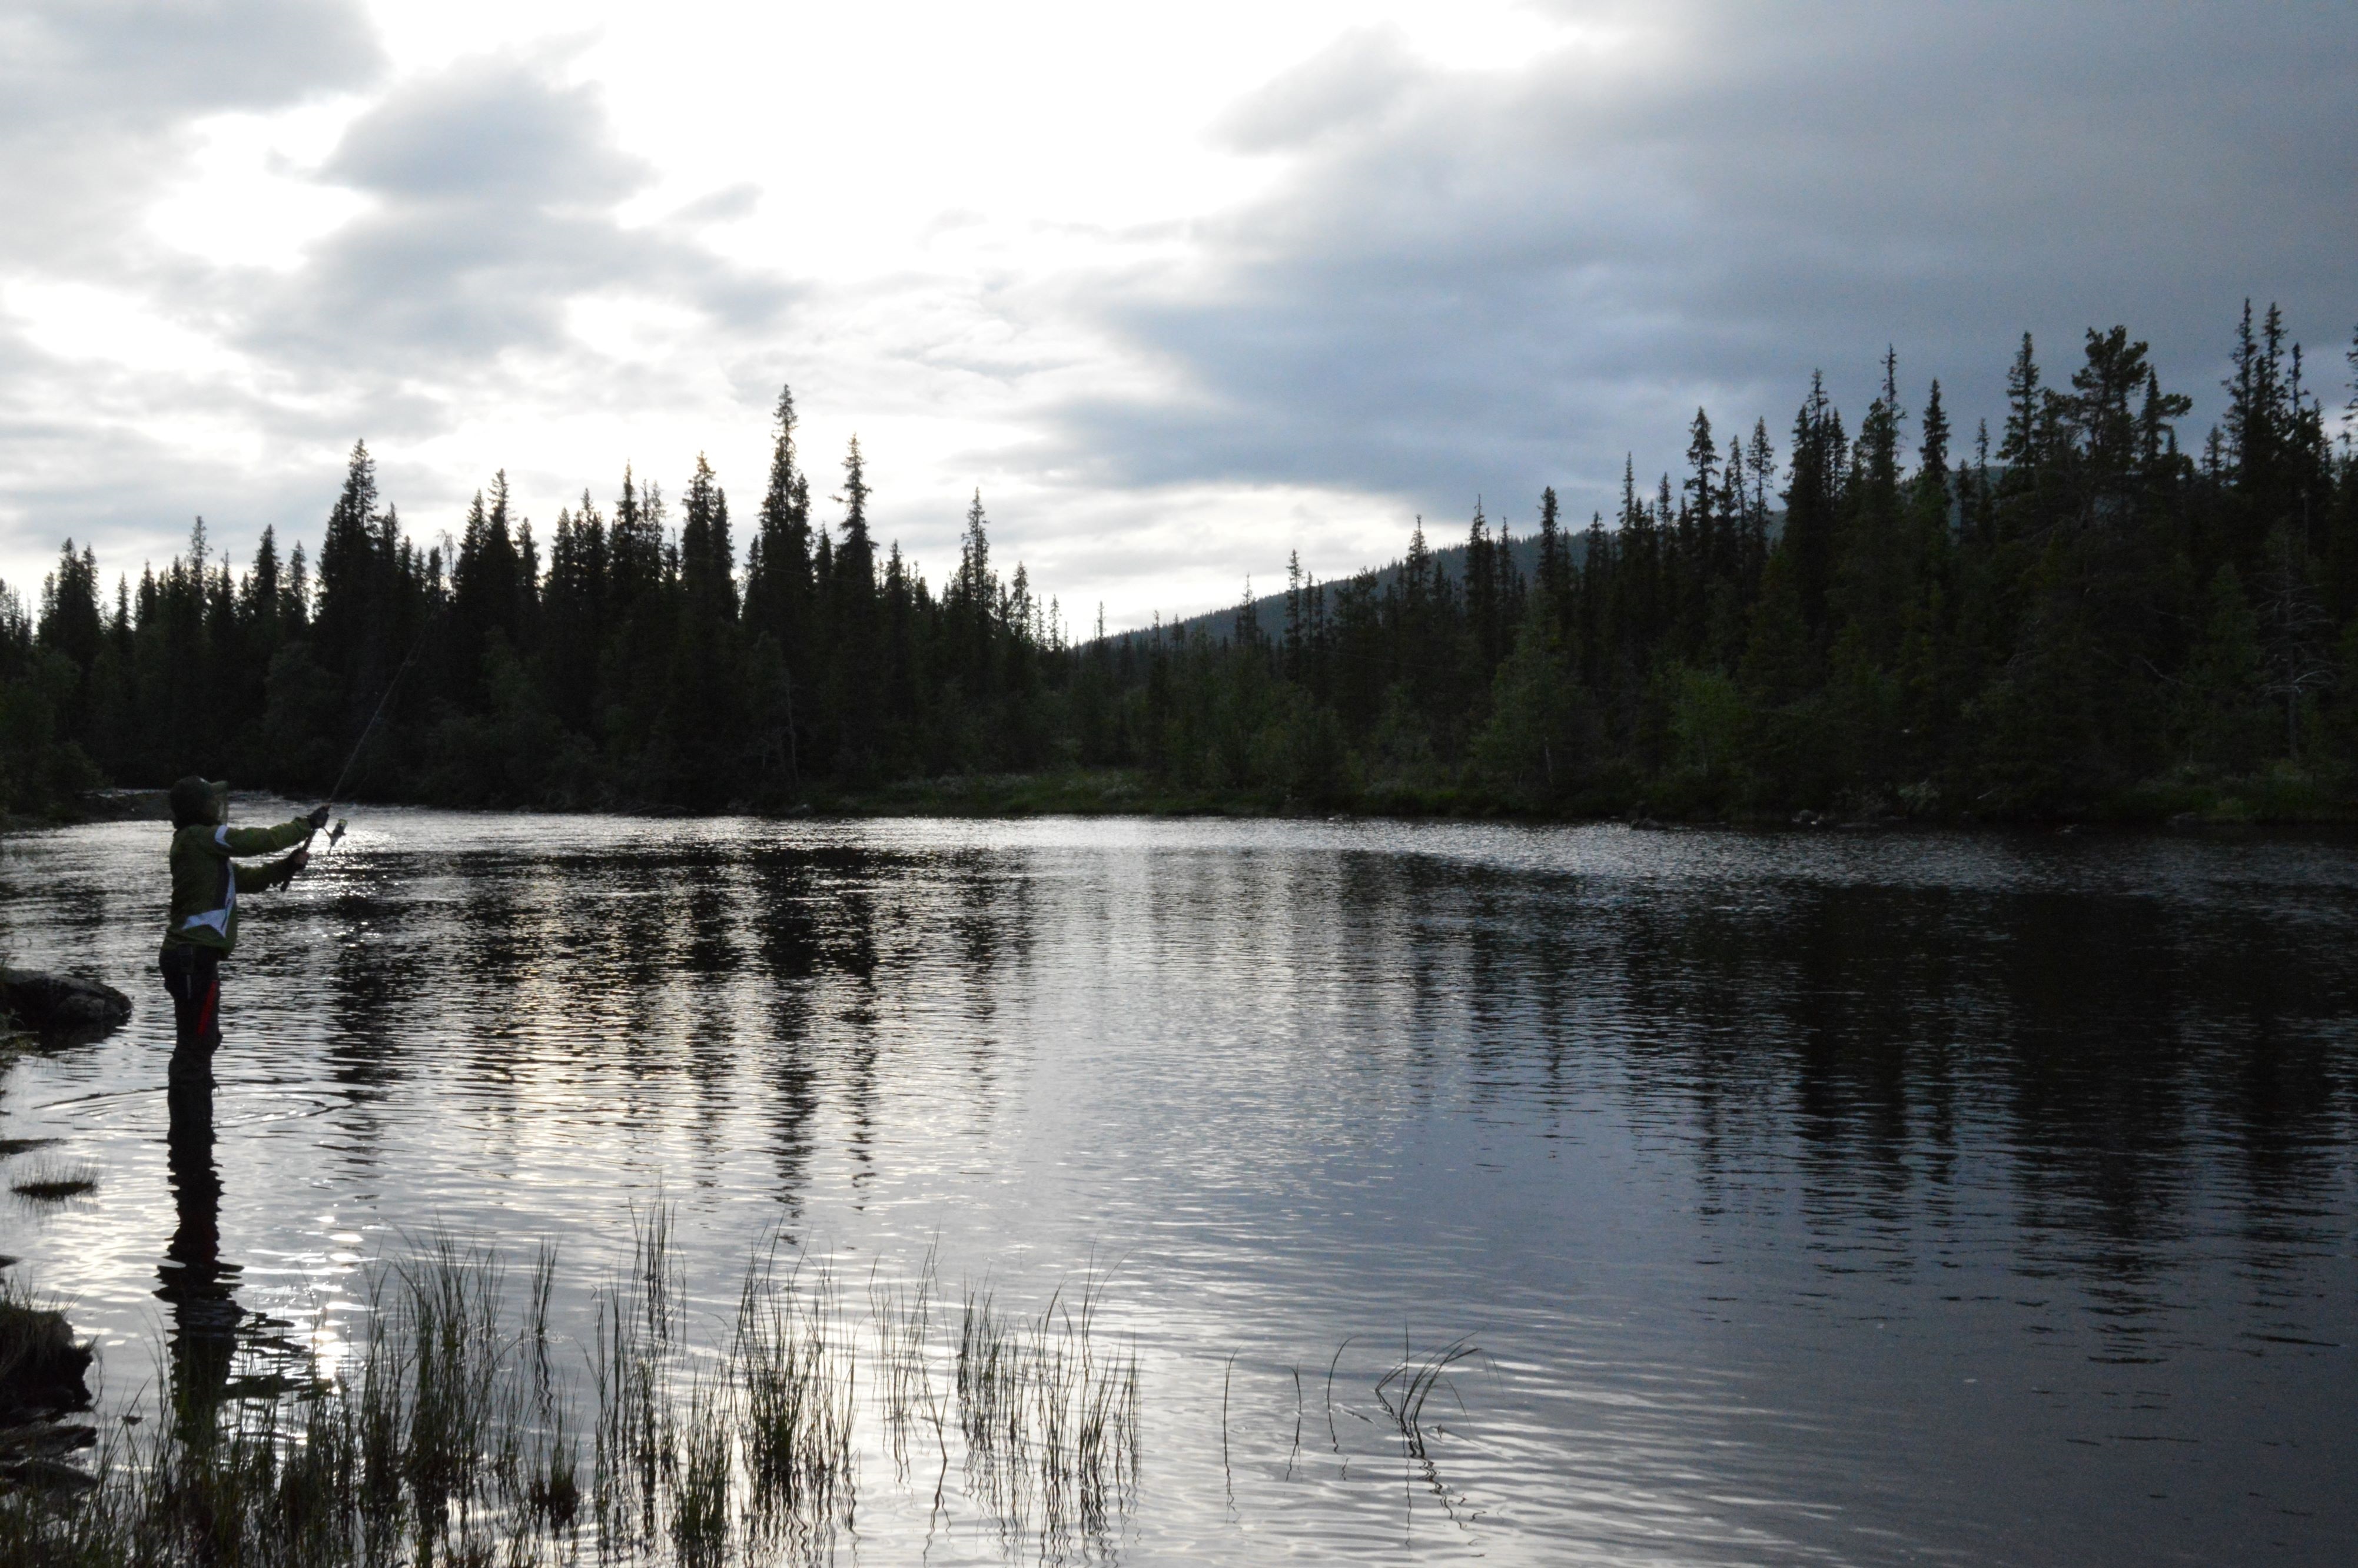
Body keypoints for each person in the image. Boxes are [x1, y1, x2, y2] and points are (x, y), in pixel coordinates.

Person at [157, 777, 328, 1087]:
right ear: (202, 807)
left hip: (192, 958)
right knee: (197, 1045)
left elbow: (249, 881)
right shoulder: (201, 837)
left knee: (199, 1041)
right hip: (192, 959)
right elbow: (256, 841)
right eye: (211, 802)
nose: (216, 806)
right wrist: (305, 825)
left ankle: (193, 1121)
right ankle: (191, 1123)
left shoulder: (198, 846)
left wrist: (287, 866)